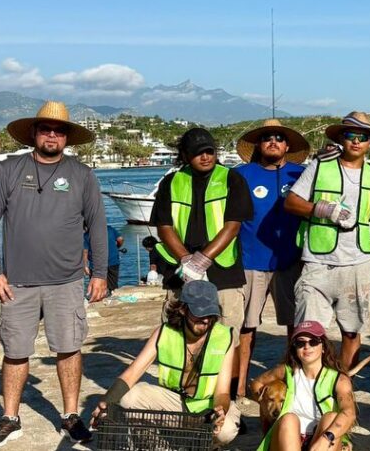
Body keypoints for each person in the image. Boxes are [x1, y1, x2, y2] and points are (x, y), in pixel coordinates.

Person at [0, 101, 108, 447]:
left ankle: (70, 415)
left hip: (67, 281)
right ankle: (10, 418)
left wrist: (99, 273)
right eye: (46, 129)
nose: (52, 135)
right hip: (16, 282)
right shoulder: (7, 171)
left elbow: (97, 226)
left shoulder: (82, 175)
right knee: (15, 351)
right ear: (34, 133)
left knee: (69, 348)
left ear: (67, 137)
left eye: (59, 130)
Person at [285, 112, 370, 371]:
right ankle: (306, 384)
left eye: (362, 137)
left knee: (352, 331)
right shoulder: (319, 167)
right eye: (350, 135)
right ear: (341, 139)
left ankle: (343, 382)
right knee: (307, 332)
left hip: (358, 266)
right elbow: (291, 202)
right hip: (317, 263)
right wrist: (322, 210)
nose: (356, 141)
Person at [91, 280, 242, 447]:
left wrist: (220, 410)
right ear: (183, 309)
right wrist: (106, 401)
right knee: (130, 397)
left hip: (207, 407)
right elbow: (131, 374)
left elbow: (222, 392)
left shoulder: (224, 337)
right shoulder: (164, 333)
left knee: (227, 430)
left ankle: (206, 445)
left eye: (210, 314)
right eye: (199, 314)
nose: (205, 321)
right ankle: (153, 443)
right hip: (175, 404)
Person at [234, 118, 311, 403]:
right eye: (267, 137)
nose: (273, 141)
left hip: (290, 260)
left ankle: (293, 376)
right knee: (246, 326)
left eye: (279, 137)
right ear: (259, 144)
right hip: (251, 261)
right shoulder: (241, 174)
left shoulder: (301, 174)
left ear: (287, 145)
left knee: (294, 325)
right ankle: (239, 386)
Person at [152, 127, 253, 339]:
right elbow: (164, 226)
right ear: (185, 155)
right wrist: (186, 260)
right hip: (181, 272)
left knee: (226, 335)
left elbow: (233, 225)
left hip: (223, 271)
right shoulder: (171, 182)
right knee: (177, 333)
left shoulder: (232, 179)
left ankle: (225, 374)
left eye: (209, 151)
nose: (205, 157)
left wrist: (203, 260)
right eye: (198, 152)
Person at [251, 321, 357, 451]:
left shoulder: (339, 379)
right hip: (288, 437)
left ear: (323, 346)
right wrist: (265, 404)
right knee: (289, 419)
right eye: (300, 343)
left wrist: (326, 438)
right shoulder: (286, 371)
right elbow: (257, 383)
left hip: (321, 438)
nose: (307, 346)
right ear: (295, 349)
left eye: (313, 341)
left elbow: (349, 413)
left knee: (331, 417)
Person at [85, 225, 124, 292]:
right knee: (113, 285)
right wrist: (117, 247)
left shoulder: (87, 235)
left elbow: (85, 251)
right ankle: (112, 296)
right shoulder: (110, 229)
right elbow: (120, 239)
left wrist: (85, 265)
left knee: (96, 285)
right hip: (113, 260)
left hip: (96, 264)